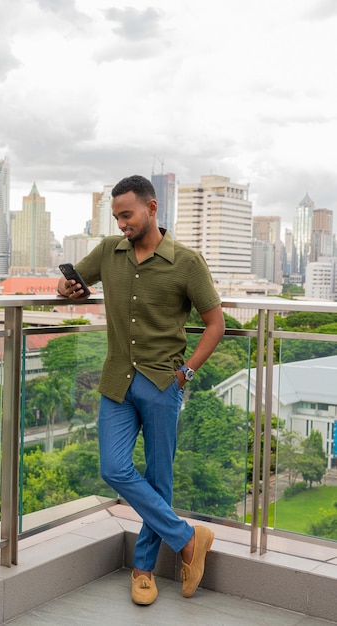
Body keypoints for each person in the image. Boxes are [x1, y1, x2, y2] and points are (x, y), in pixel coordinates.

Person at [57, 175, 225, 605]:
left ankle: (144, 570)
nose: (122, 224)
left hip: (163, 383)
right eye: (116, 217)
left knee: (158, 477)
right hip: (116, 380)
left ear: (152, 207)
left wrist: (185, 373)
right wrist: (67, 287)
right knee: (114, 469)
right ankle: (189, 540)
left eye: (127, 215)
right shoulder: (109, 252)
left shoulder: (187, 261)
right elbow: (73, 284)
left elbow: (215, 324)